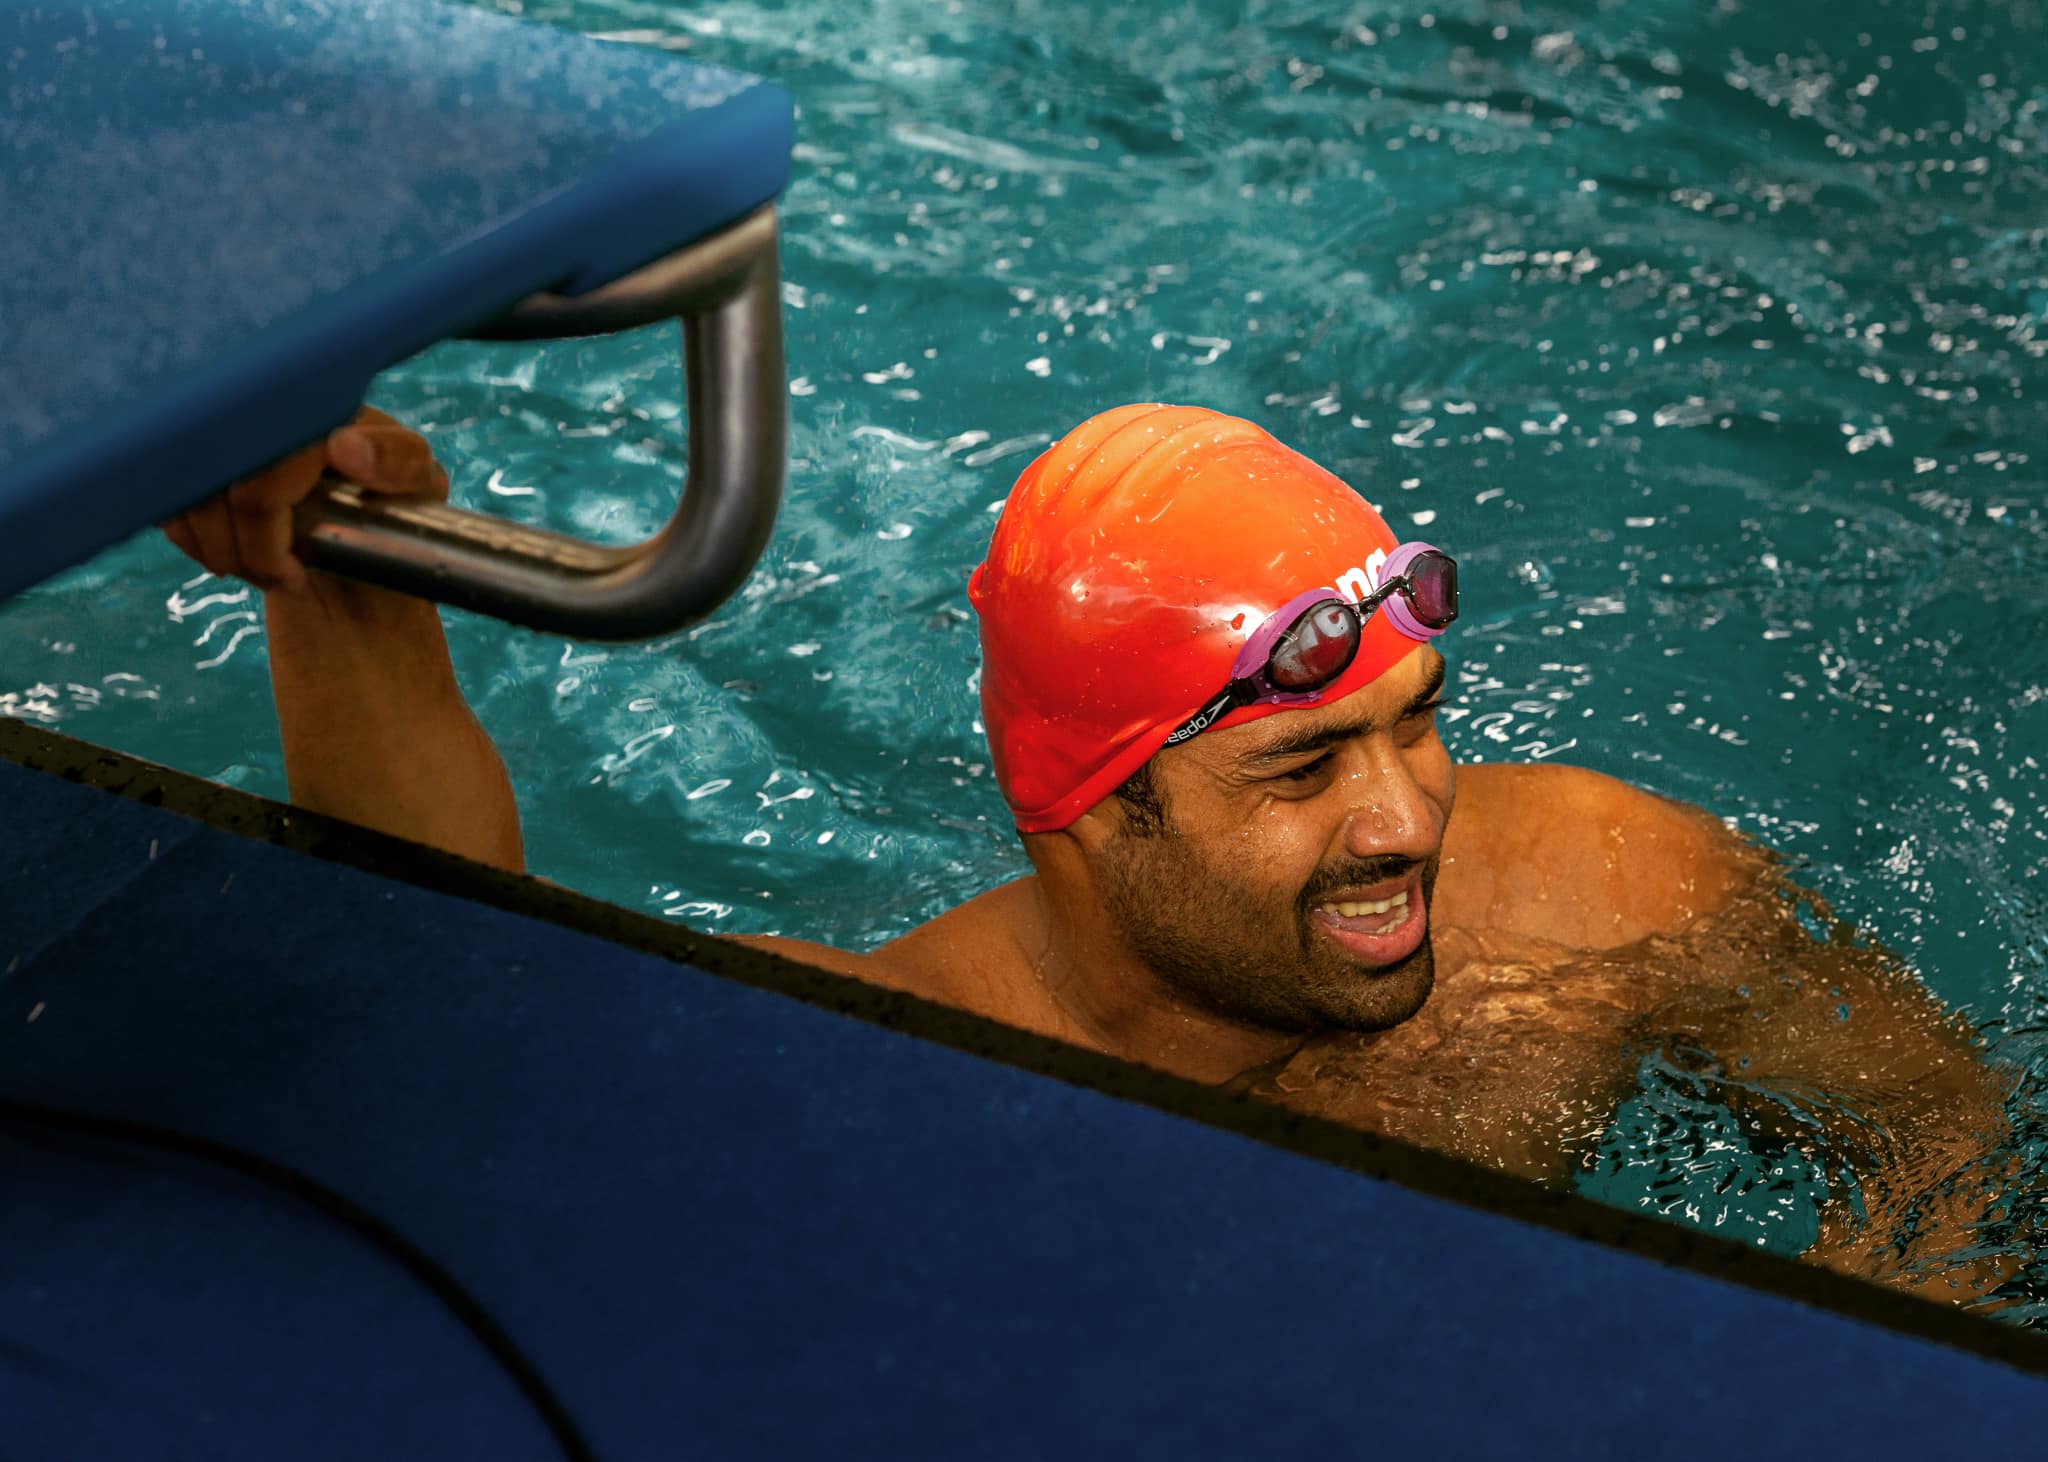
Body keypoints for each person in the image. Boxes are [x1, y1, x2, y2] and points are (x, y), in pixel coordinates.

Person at [167, 401, 2020, 1301]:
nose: (1409, 819)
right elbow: (480, 1027)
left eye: (1418, 720)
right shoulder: (878, 1071)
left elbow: (1960, 1131)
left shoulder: (1617, 889)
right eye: (1304, 766)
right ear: (1080, 808)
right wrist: (345, 595)